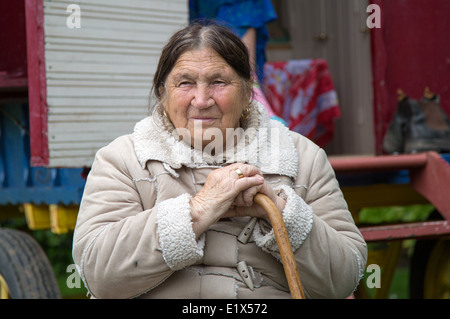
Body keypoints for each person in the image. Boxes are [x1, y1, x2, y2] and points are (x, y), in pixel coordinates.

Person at [72, 22, 367, 299]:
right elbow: (98, 274)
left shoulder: (302, 157)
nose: (201, 100)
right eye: (185, 83)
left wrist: (280, 211)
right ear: (163, 92)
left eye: (218, 82)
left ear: (248, 92)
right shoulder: (123, 159)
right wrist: (198, 211)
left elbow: (344, 278)